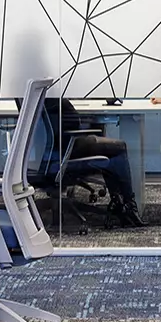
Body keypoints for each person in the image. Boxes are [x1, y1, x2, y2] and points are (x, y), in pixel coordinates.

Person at [44, 97, 146, 227]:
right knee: (119, 147)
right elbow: (73, 124)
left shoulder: (33, 95)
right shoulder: (53, 97)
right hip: (65, 149)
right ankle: (128, 207)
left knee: (111, 153)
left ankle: (120, 203)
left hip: (44, 155)